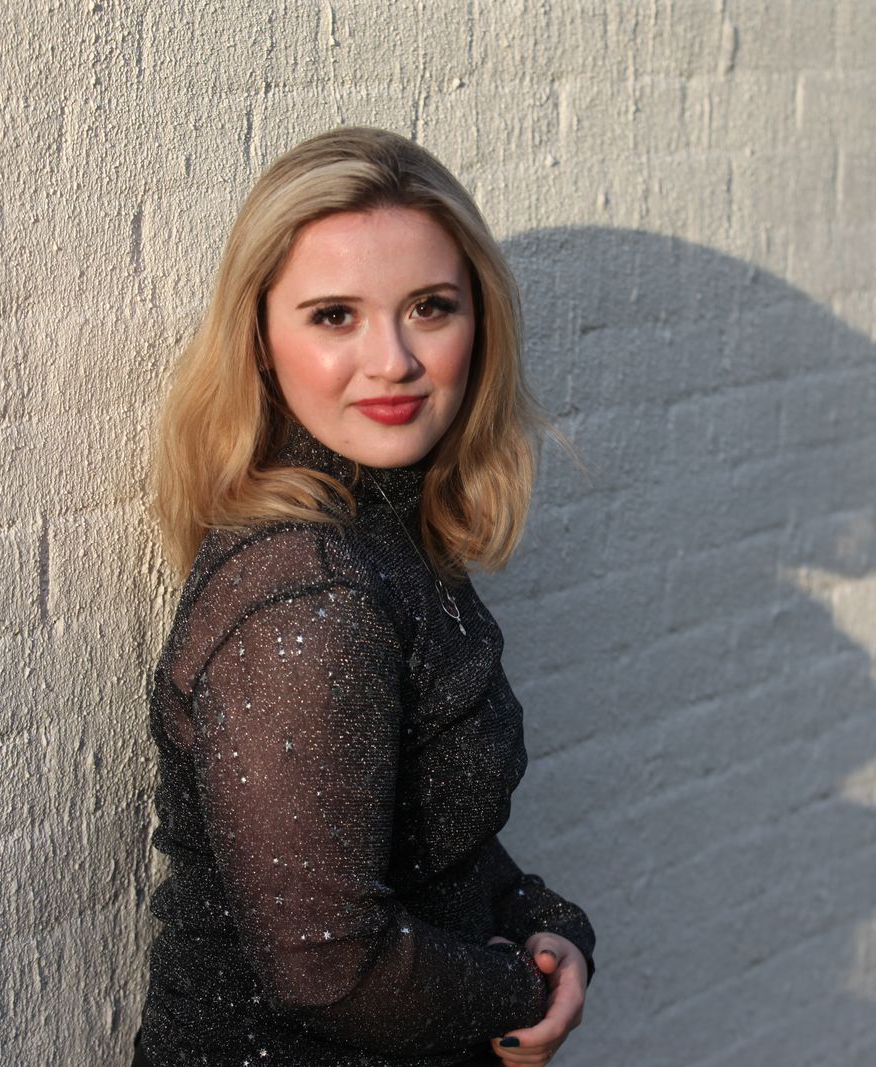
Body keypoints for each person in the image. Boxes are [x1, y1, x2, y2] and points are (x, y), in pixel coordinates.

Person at [136, 126, 596, 1067]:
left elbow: (429, 839)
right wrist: (521, 991)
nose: (393, 360)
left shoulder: (382, 531)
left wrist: (541, 921)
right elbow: (328, 963)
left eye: (429, 307)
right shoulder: (308, 594)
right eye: (335, 315)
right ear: (262, 342)